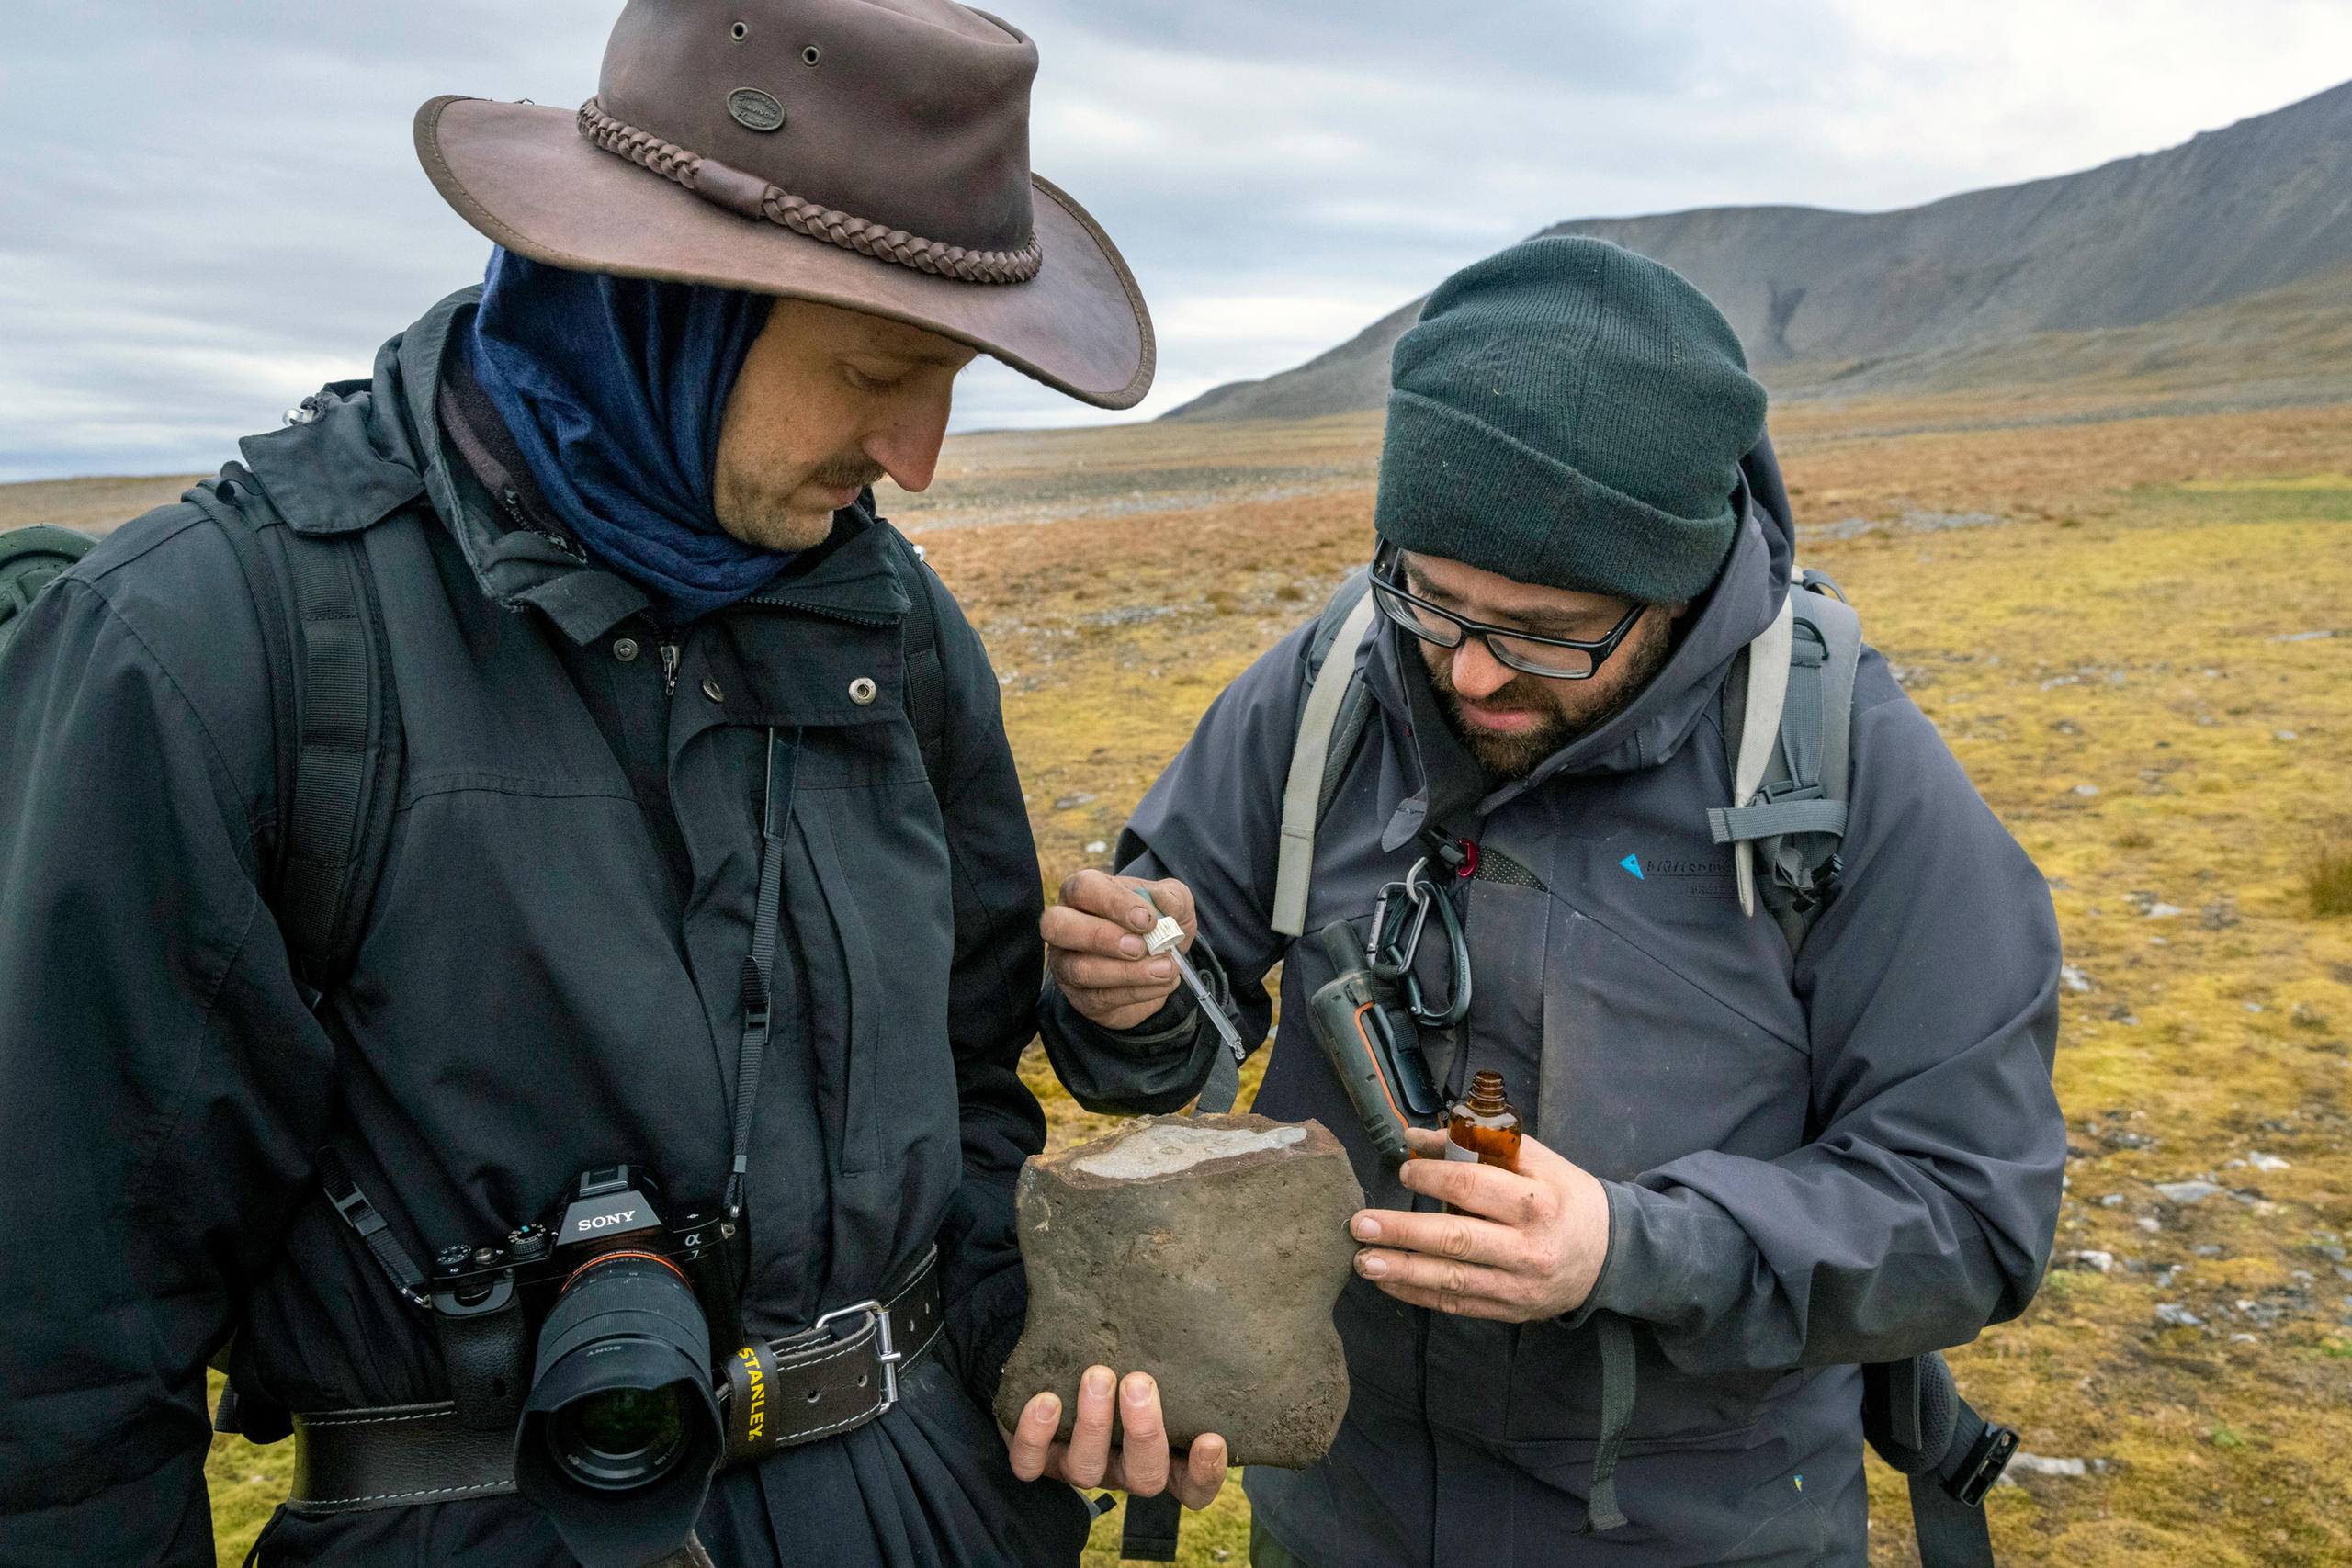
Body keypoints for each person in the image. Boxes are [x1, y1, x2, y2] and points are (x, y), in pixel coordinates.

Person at [0, 3, 1224, 1563]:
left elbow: (972, 1097)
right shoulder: (212, 646)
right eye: (875, 369)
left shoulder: (888, 627)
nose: (917, 458)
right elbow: (56, 1359)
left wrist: (1012, 1342)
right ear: (663, 300)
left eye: (952, 380)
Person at [1035, 237, 2066, 1568]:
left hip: (1700, 1535)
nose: (1468, 675)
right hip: (1340, 1517)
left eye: (1544, 629)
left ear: (1683, 583)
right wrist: (1129, 997)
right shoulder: (1331, 685)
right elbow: (1174, 1031)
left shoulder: (1845, 767)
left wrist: (1630, 1248)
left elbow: (1971, 1212)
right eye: (1434, 600)